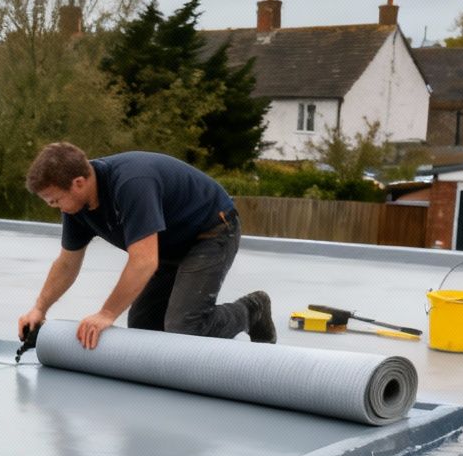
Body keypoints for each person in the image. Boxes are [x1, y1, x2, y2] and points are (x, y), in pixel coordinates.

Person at [17, 143, 275, 351]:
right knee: (143, 325)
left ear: (78, 183)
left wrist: (106, 313)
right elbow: (67, 263)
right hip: (168, 244)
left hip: (211, 231)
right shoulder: (77, 209)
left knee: (185, 327)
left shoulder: (131, 183)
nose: (56, 207)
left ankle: (252, 309)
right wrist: (39, 308)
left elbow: (144, 261)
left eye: (55, 200)